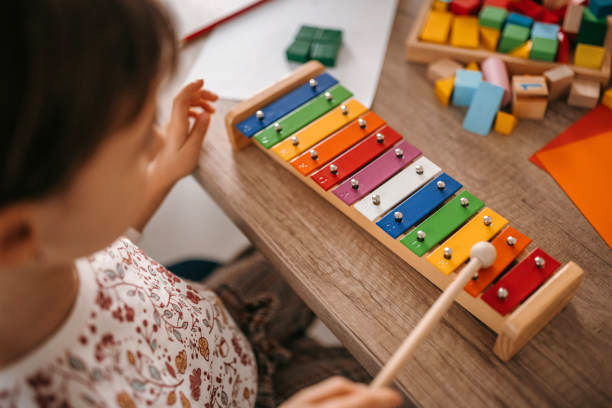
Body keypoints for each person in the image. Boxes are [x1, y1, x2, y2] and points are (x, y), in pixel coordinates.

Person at [0, 1, 402, 407]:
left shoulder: (49, 241)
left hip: (224, 317)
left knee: (331, 234)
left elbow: (109, 244)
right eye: (138, 143)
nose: (158, 141)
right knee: (403, 389)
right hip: (257, 399)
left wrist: (163, 172)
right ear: (17, 234)